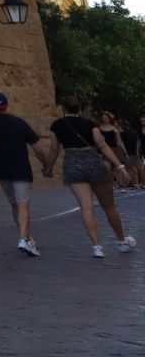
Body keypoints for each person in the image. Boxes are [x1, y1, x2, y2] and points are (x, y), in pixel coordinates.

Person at [49, 96, 135, 258]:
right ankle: (122, 241)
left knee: (86, 207)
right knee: (109, 206)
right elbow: (102, 145)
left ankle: (97, 246)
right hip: (93, 162)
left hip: (72, 164)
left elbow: (54, 149)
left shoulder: (57, 125)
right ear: (79, 109)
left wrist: (48, 168)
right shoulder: (90, 124)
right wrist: (120, 166)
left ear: (63, 109)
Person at [0, 90, 55, 256]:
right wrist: (47, 165)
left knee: (15, 205)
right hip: (21, 169)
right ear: (6, 105)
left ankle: (28, 238)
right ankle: (23, 239)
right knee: (23, 205)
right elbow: (37, 148)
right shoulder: (19, 122)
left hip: (1, 170)